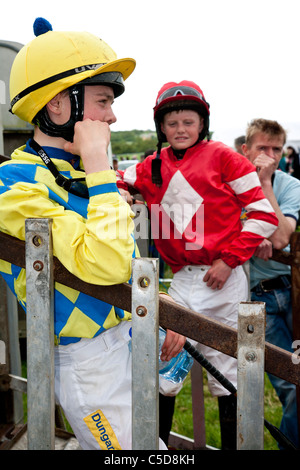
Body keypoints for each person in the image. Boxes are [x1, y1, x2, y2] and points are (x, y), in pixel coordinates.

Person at [0, 18, 173, 450]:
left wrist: (155, 298)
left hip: (123, 338)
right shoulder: (14, 184)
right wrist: (99, 164)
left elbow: (122, 256)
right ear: (59, 105)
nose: (112, 116)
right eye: (102, 101)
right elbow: (104, 262)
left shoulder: (75, 172)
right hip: (87, 361)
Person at [117, 80, 279, 449]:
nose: (180, 130)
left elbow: (262, 214)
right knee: (163, 369)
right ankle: (155, 450)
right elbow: (113, 178)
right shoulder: (150, 165)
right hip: (181, 283)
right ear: (161, 127)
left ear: (201, 123)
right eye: (172, 124)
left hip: (223, 279)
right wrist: (123, 192)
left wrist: (229, 259)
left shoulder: (224, 157)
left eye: (188, 122)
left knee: (228, 376)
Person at [242, 118, 300, 449]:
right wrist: (252, 234)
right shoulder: (229, 183)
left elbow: (279, 237)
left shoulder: (290, 185)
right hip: (257, 299)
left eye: (276, 149)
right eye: (261, 148)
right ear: (245, 149)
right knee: (289, 384)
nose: (269, 155)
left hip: (291, 293)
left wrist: (264, 183)